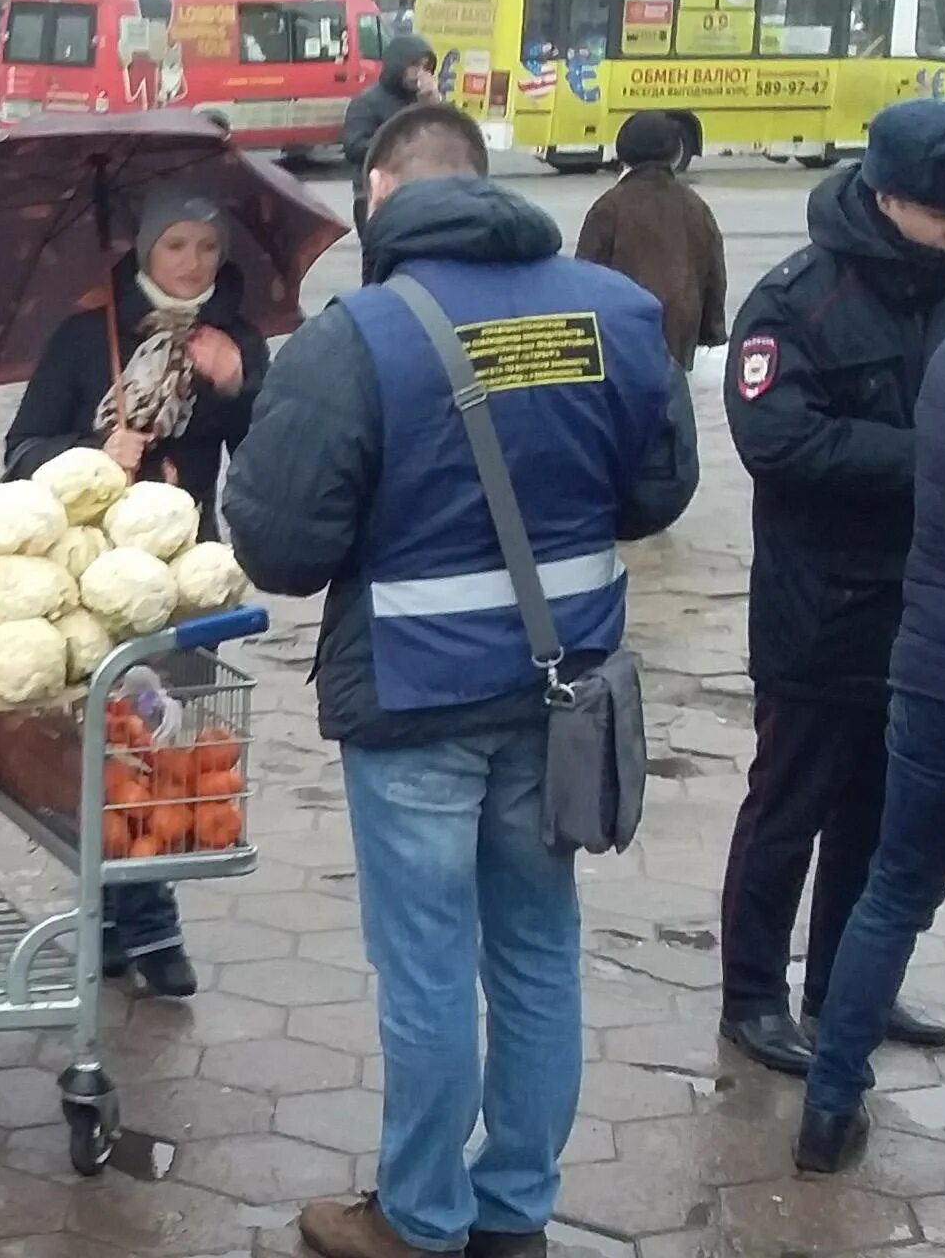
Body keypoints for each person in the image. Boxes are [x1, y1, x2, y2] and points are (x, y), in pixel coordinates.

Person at [222, 105, 697, 1258]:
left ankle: (420, 1216)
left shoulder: (356, 338)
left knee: (426, 959)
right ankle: (513, 1208)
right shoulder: (615, 312)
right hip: (563, 693)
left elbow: (279, 549)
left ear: (378, 191)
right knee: (535, 945)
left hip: (414, 702)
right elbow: (659, 493)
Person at [717, 99, 945, 1083]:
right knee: (789, 803)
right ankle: (751, 993)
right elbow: (774, 438)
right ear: (889, 198)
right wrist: (925, 456)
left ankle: (843, 982)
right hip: (816, 607)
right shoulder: (795, 297)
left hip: (916, 608)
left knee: (872, 809)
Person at [4, 185, 268, 996]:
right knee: (111, 752)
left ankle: (129, 923)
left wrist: (240, 385)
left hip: (187, 581)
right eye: (176, 246)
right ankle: (139, 927)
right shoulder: (90, 339)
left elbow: (280, 456)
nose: (192, 264)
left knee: (166, 748)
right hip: (93, 581)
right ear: (146, 251)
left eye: (207, 248)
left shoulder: (237, 341)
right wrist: (92, 447)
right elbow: (18, 452)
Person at [804, 242, 945, 1174]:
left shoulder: (943, 360)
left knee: (890, 887)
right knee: (892, 886)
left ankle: (827, 1111)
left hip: (930, 666)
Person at [575, 111, 727, 372]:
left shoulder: (608, 207)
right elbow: (714, 279)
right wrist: (710, 333)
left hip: (620, 351)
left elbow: (583, 283)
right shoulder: (696, 207)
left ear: (622, 153)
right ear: (675, 154)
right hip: (678, 349)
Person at [341, 34, 438, 240]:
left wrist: (433, 106)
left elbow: (445, 140)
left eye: (425, 67)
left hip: (418, 194)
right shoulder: (367, 102)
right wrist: (399, 145)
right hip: (376, 197)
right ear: (398, 65)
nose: (419, 74)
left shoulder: (422, 102)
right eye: (414, 66)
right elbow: (354, 146)